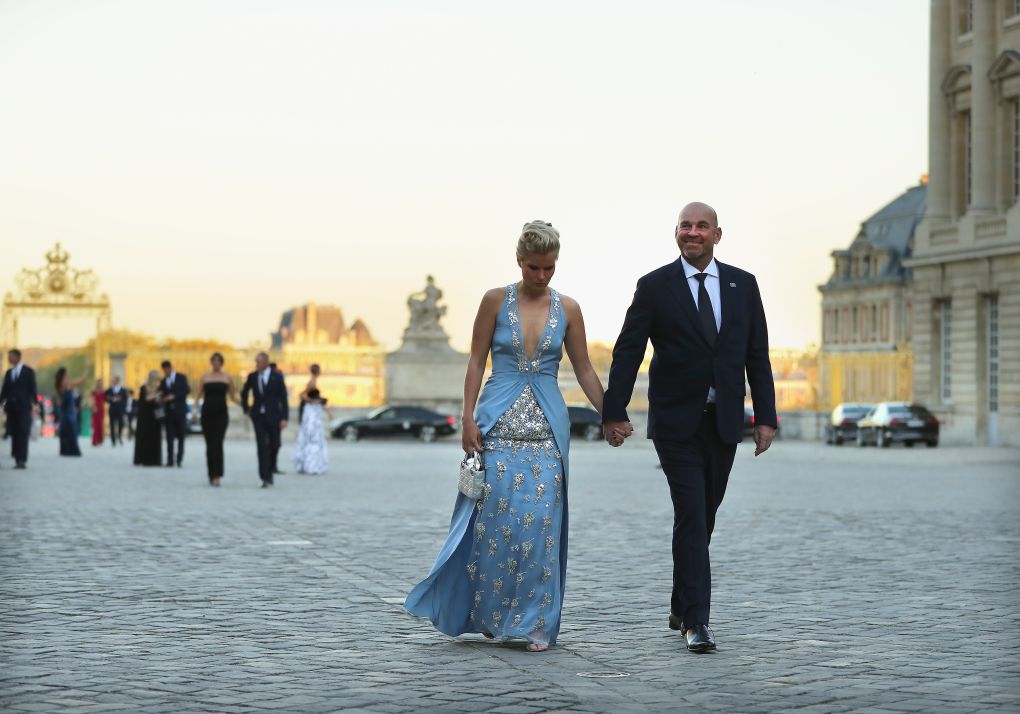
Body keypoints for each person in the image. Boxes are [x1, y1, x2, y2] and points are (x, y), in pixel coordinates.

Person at [405, 221, 606, 652]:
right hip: (496, 426)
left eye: (549, 268)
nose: (542, 275)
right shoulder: (494, 300)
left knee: (542, 526)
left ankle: (535, 622)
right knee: (496, 526)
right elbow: (476, 361)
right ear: (519, 261)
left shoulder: (569, 308)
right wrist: (466, 417)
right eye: (534, 267)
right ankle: (494, 617)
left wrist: (611, 415)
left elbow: (585, 369)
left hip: (549, 432)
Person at [602, 202, 777, 654]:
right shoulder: (655, 286)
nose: (692, 232)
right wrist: (614, 410)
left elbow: (757, 354)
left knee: (706, 517)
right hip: (675, 423)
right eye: (685, 225)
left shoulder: (743, 285)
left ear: (718, 235)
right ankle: (697, 622)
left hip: (722, 424)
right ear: (675, 233)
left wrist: (766, 417)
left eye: (701, 226)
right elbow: (628, 351)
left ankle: (681, 603)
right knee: (692, 515)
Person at [241, 352, 289, 488]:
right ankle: (265, 477)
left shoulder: (277, 377)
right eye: (255, 362)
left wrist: (284, 418)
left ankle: (271, 468)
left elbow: (283, 398)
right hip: (258, 417)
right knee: (262, 446)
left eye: (258, 362)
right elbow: (244, 392)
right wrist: (246, 408)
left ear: (266, 362)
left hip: (274, 416)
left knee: (274, 445)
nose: (256, 365)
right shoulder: (252, 376)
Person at [194, 352, 239, 487]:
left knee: (218, 444)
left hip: (221, 414)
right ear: (211, 362)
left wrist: (245, 405)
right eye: (214, 361)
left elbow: (233, 396)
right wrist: (195, 411)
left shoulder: (227, 377)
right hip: (207, 414)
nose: (216, 364)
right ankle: (210, 473)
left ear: (222, 363)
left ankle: (217, 475)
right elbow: (198, 396)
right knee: (209, 445)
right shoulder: (205, 377)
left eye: (218, 361)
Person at [1, 349, 38, 469]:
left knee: (23, 431)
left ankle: (22, 459)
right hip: (11, 408)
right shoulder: (9, 373)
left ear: (17, 357)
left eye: (10, 356)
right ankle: (17, 457)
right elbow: (4, 391)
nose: (9, 359)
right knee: (14, 432)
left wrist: (36, 404)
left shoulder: (28, 372)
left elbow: (33, 389)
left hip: (23, 407)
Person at [158, 360, 190, 467]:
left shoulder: (181, 377)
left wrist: (174, 396)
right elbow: (161, 394)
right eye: (164, 370)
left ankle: (179, 459)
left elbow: (186, 390)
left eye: (166, 369)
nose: (165, 371)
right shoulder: (163, 381)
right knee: (169, 437)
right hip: (169, 413)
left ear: (170, 368)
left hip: (180, 411)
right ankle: (170, 460)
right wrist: (162, 397)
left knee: (181, 436)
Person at [292, 388, 331, 475]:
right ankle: (310, 467)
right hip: (311, 431)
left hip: (315, 431)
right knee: (311, 448)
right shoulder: (309, 407)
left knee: (313, 448)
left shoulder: (312, 406)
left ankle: (312, 466)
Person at [55, 366, 88, 457]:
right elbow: (81, 380)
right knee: (72, 430)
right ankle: (73, 450)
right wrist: (86, 369)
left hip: (63, 410)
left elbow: (58, 400)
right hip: (70, 410)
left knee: (65, 430)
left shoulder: (58, 384)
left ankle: (65, 450)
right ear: (65, 374)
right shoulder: (67, 383)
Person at [133, 371, 164, 467]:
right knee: (145, 436)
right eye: (155, 378)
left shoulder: (159, 388)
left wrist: (159, 399)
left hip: (155, 416)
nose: (156, 381)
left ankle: (155, 460)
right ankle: (144, 459)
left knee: (155, 437)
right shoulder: (144, 388)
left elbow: (159, 402)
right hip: (145, 416)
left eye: (157, 379)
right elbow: (145, 399)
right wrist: (155, 395)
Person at [104, 376, 127, 446]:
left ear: (118, 381)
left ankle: (119, 436)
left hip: (120, 409)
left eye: (114, 380)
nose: (113, 382)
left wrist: (120, 400)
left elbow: (125, 400)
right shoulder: (109, 390)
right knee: (112, 424)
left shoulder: (123, 390)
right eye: (113, 380)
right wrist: (110, 399)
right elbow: (105, 398)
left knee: (121, 423)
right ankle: (113, 440)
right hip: (112, 409)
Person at [90, 379, 106, 447]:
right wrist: (93, 407)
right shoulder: (94, 391)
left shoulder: (104, 391)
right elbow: (91, 399)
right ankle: (95, 440)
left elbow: (105, 399)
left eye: (101, 383)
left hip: (101, 409)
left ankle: (100, 440)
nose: (100, 384)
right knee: (95, 425)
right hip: (95, 408)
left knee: (100, 424)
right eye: (99, 383)